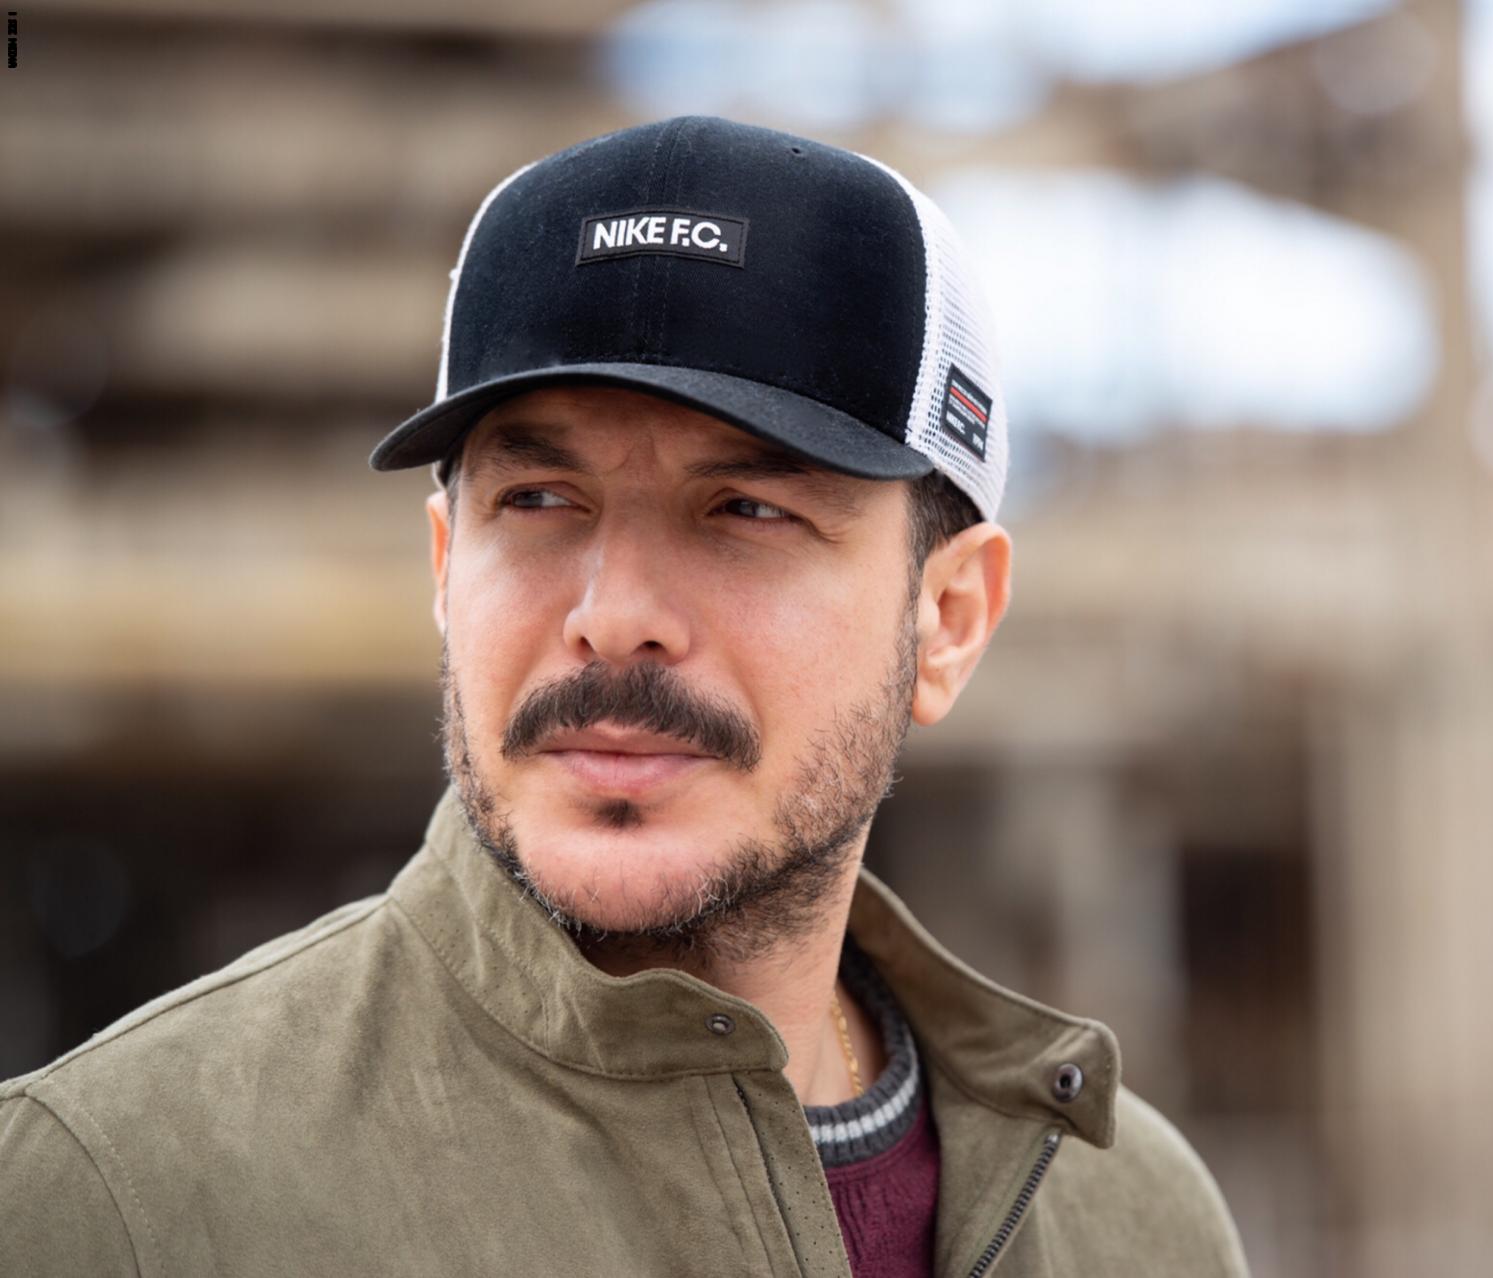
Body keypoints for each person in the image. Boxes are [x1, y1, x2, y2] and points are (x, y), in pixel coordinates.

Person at [0, 115, 1248, 1277]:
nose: (612, 612)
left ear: (949, 618)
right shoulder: (115, 1197)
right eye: (539, 501)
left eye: (746, 509)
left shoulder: (1134, 1223)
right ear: (445, 570)